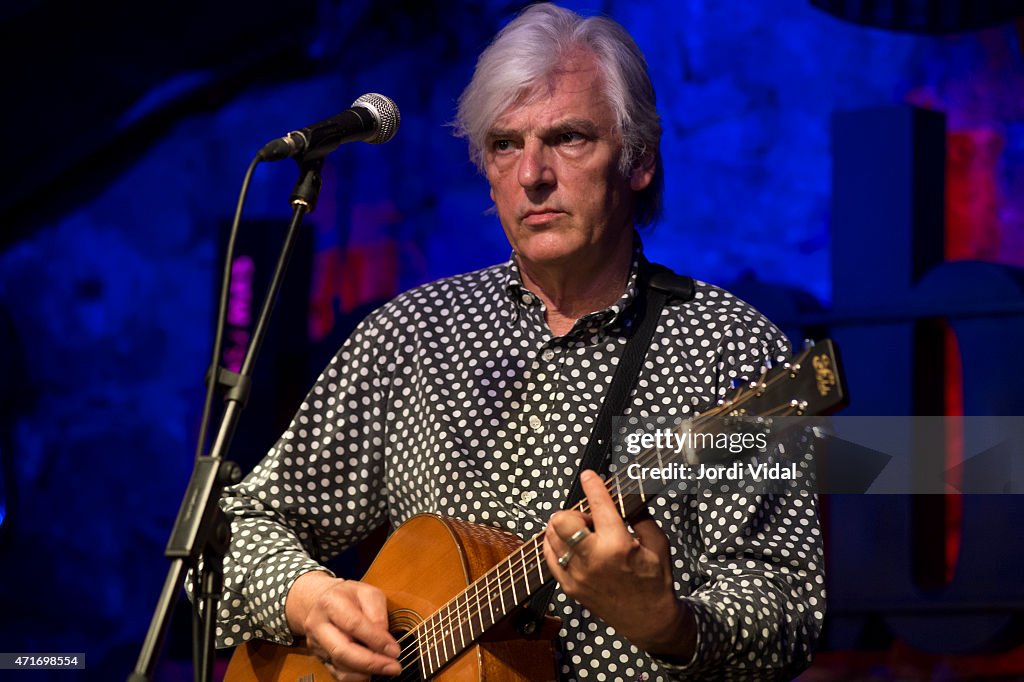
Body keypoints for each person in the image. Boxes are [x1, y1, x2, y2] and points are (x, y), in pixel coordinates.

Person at [210, 3, 824, 680]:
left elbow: (787, 608)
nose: (532, 174)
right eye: (506, 145)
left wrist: (671, 625)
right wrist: (310, 598)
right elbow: (237, 530)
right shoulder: (412, 337)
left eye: (568, 138)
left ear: (639, 160)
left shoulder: (732, 352)